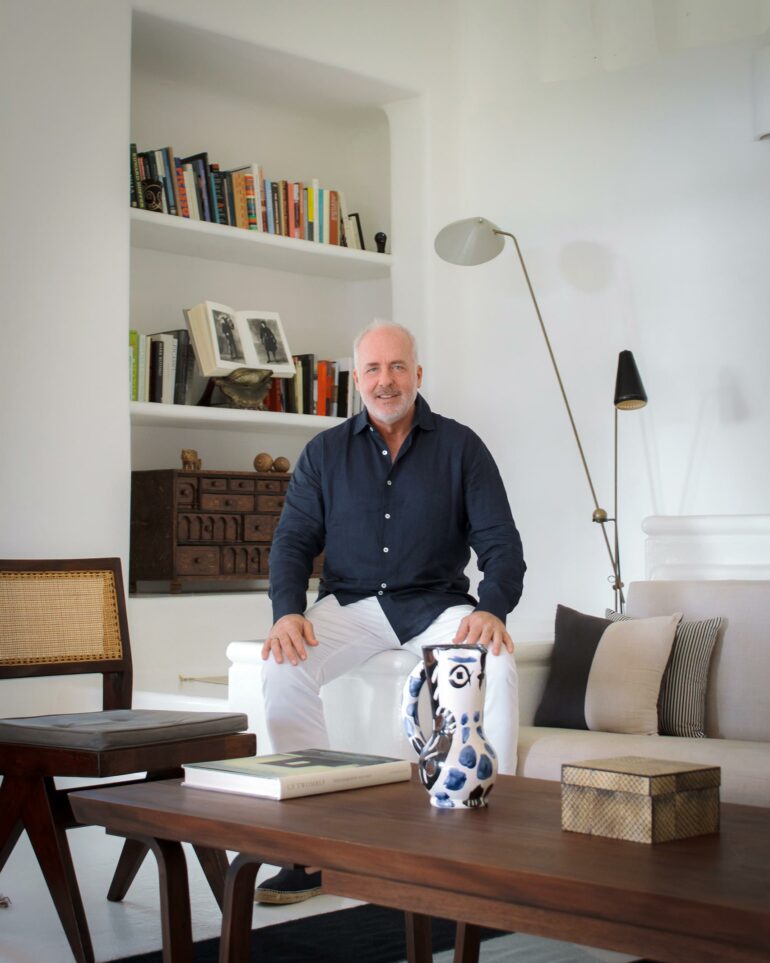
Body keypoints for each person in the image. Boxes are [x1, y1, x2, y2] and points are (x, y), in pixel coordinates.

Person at [255, 320, 526, 904]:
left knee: (495, 664)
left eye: (397, 367)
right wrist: (286, 612)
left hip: (437, 605)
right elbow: (292, 541)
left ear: (418, 374)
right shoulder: (323, 453)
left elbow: (502, 544)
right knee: (282, 666)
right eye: (374, 369)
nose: (386, 381)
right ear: (358, 380)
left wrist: (493, 609)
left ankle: (490, 835)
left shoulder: (461, 447)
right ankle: (308, 852)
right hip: (350, 604)